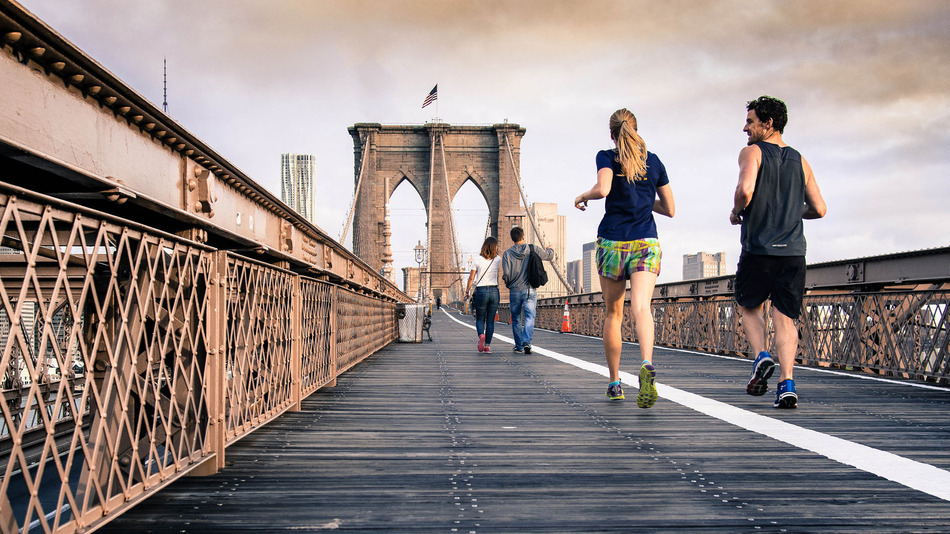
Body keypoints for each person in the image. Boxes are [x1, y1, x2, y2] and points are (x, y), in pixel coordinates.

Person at [730, 96, 826, 409]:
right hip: (794, 252)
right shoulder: (801, 160)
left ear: (768, 124)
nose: (745, 127)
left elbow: (745, 190)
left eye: (750, 121)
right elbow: (820, 209)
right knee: (786, 319)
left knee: (749, 305)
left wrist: (737, 211)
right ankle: (787, 384)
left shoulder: (752, 152)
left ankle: (761, 357)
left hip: (759, 247)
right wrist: (791, 212)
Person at [574, 108, 675, 407]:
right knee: (642, 308)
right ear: (635, 128)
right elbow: (670, 209)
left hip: (613, 242)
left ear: (611, 133)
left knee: (613, 314)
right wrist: (645, 200)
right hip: (646, 241)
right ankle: (646, 363)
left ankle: (615, 383)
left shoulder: (607, 156)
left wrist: (582, 196)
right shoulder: (653, 161)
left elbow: (603, 189)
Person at [501, 226, 554, 354]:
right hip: (530, 289)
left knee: (516, 318)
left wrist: (509, 284)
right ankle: (527, 342)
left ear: (512, 238)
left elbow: (506, 274)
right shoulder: (532, 248)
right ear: (523, 236)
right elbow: (549, 256)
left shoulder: (507, 254)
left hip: (514, 290)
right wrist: (550, 249)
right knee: (530, 316)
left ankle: (519, 346)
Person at [464, 237, 501, 353]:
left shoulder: (477, 260)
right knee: (490, 321)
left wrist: (467, 292)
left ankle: (481, 336)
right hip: (494, 291)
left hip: (481, 291)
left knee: (480, 318)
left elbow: (471, 278)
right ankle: (487, 346)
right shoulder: (498, 259)